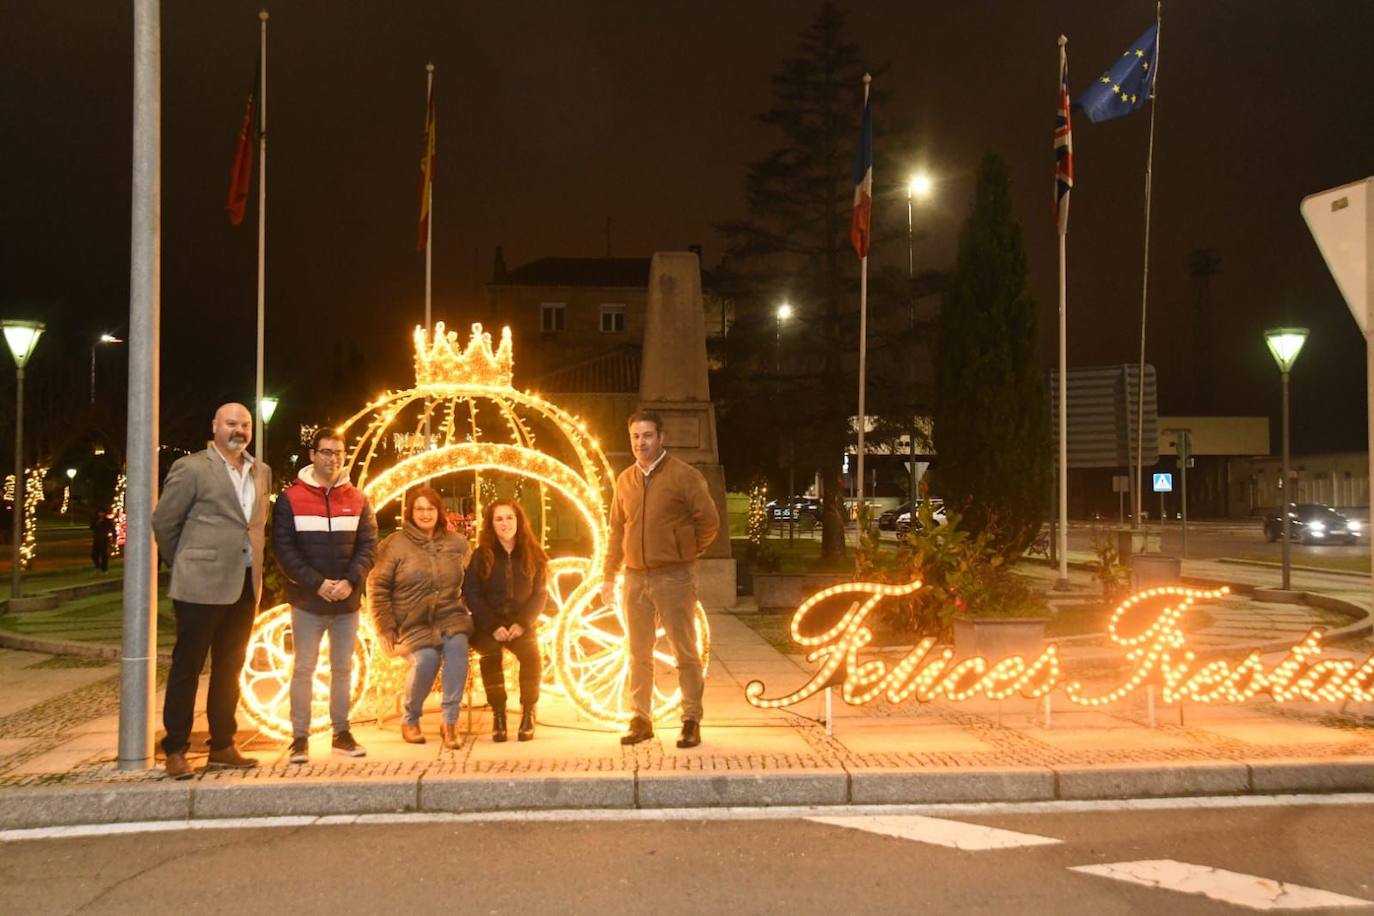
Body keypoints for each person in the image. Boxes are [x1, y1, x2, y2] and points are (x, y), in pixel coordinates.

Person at [152, 402, 272, 779]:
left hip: (244, 584)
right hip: (200, 585)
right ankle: (176, 749)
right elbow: (164, 521)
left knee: (230, 668)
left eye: (245, 424)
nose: (239, 430)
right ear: (215, 426)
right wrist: (186, 561)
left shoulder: (261, 471)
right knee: (187, 667)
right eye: (231, 423)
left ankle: (222, 745)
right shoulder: (191, 468)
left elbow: (254, 525)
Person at [600, 408, 719, 748]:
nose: (641, 442)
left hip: (673, 576)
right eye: (636, 436)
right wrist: (610, 574)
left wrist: (684, 552)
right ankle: (641, 718)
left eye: (647, 435)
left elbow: (709, 522)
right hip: (635, 577)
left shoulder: (685, 476)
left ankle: (691, 719)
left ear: (661, 437)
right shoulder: (625, 480)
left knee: (685, 652)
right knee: (638, 653)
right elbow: (616, 530)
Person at [272, 430, 378, 764]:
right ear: (313, 455)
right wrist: (317, 583)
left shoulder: (358, 499)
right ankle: (299, 737)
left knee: (343, 669)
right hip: (308, 601)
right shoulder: (291, 499)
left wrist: (349, 581)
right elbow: (284, 549)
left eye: (338, 452)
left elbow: (368, 546)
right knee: (304, 667)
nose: (333, 458)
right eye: (326, 452)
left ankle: (341, 732)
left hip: (346, 601)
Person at [368, 486, 472, 749]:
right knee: (427, 659)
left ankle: (450, 721)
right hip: (410, 622)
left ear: (439, 512)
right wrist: (385, 626)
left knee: (458, 646)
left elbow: (474, 582)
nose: (425, 514)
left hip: (449, 616)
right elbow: (377, 586)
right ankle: (410, 718)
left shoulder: (456, 543)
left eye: (430, 508)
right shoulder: (395, 544)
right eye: (419, 509)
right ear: (410, 512)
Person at [463, 499, 547, 742]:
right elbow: (472, 593)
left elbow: (540, 594)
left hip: (522, 623)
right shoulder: (482, 555)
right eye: (498, 519)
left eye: (509, 517)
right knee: (490, 655)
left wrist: (522, 623)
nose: (505, 523)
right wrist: (493, 625)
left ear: (518, 520)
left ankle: (527, 712)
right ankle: (498, 713)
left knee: (531, 655)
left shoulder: (534, 554)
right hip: (489, 624)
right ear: (491, 524)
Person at [90, 508, 116, 573]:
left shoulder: (108, 521)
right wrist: (97, 522)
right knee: (94, 555)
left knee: (104, 554)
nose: (101, 514)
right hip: (96, 539)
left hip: (104, 539)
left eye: (102, 512)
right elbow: (91, 527)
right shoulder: (95, 520)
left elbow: (112, 529)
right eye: (100, 513)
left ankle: (104, 569)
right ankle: (98, 566)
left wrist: (114, 537)